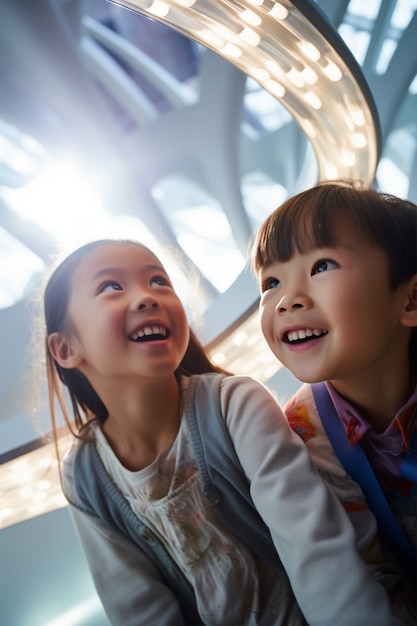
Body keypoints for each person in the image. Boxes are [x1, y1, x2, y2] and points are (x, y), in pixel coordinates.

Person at [42, 238, 400, 626]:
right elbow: (137, 608)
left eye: (159, 281)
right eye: (111, 286)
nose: (148, 297)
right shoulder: (84, 477)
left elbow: (316, 547)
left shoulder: (234, 403)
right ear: (65, 349)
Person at [252, 180, 417, 622]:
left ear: (410, 299)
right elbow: (366, 578)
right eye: (271, 281)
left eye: (322, 265)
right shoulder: (301, 438)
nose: (287, 300)